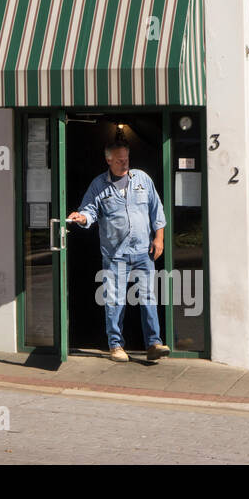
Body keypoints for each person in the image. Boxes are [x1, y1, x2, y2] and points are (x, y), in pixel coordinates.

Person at [67, 140, 170, 363]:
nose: (125, 163)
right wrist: (82, 217)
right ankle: (116, 346)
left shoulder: (142, 179)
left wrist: (159, 238)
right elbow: (90, 211)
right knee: (114, 299)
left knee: (149, 297)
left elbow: (157, 210)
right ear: (109, 160)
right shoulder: (98, 185)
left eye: (127, 159)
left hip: (143, 251)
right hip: (115, 254)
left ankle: (154, 343)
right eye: (120, 160)